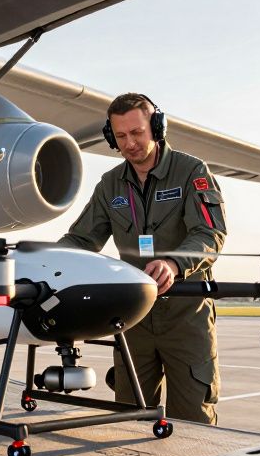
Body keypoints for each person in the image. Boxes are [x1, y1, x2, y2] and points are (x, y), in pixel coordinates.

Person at [57, 93, 227, 424]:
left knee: (193, 418)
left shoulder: (191, 171)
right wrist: (43, 260)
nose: (130, 144)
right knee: (129, 417)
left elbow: (210, 234)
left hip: (185, 316)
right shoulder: (110, 185)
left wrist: (174, 264)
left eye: (137, 133)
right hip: (133, 317)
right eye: (120, 136)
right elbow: (81, 239)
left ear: (157, 127)